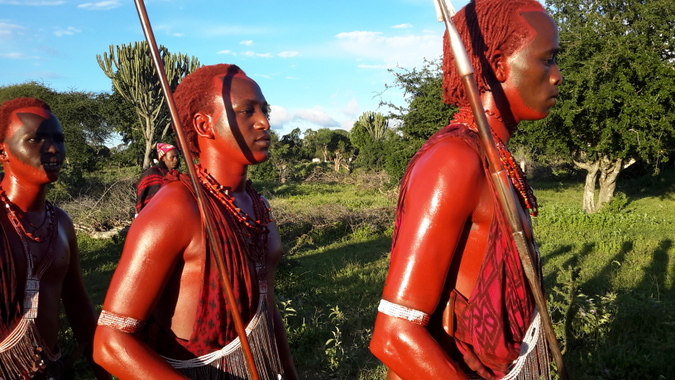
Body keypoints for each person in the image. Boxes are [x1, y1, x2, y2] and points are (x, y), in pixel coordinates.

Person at [369, 0, 563, 379]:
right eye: (547, 59)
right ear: (496, 66)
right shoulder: (455, 160)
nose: (557, 76)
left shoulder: (494, 156)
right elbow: (394, 334)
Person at [93, 64, 298, 380]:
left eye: (264, 110)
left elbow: (267, 312)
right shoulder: (177, 207)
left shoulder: (260, 206)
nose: (265, 123)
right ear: (204, 125)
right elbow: (110, 341)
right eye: (247, 111)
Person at [0, 97, 110, 379]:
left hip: (51, 370)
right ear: (3, 151)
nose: (53, 149)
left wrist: (103, 371)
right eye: (35, 139)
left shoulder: (60, 222)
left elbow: (78, 304)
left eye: (58, 139)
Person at [135, 142, 181, 215]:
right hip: (154, 214)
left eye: (177, 157)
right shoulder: (153, 172)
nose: (175, 160)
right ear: (163, 158)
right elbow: (141, 192)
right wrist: (138, 214)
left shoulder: (177, 175)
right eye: (172, 157)